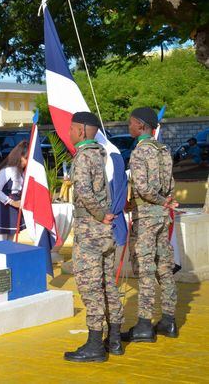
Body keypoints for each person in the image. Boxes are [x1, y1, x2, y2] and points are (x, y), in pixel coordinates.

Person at [64, 112, 124, 363]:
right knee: (108, 284)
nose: (68, 133)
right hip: (104, 234)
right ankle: (115, 339)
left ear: (80, 131)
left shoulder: (82, 157)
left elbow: (85, 193)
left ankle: (94, 345)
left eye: (71, 129)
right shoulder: (100, 154)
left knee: (90, 287)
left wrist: (100, 215)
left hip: (90, 232)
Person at [124, 107, 179, 342]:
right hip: (161, 217)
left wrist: (157, 200)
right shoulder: (163, 150)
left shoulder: (140, 152)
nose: (129, 127)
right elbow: (171, 184)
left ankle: (145, 324)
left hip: (146, 218)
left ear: (141, 125)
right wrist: (165, 201)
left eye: (131, 123)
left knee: (146, 271)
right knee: (165, 269)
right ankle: (169, 321)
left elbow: (144, 188)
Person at [0, 141, 28, 241]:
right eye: (26, 158)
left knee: (10, 242)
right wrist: (12, 202)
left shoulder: (23, 172)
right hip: (3, 207)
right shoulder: (8, 169)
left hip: (15, 207)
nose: (27, 161)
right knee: (0, 244)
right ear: (19, 156)